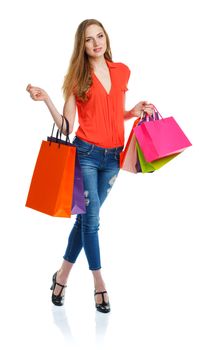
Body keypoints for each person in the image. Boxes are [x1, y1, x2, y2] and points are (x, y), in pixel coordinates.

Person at [26, 18, 154, 313]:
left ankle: (61, 277)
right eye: (89, 39)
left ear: (106, 38)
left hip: (113, 158)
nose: (96, 43)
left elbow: (110, 112)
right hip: (86, 155)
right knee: (92, 220)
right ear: (81, 46)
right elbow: (67, 126)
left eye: (100, 36)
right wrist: (46, 99)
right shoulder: (77, 77)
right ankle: (99, 284)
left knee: (84, 220)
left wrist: (131, 112)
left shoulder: (121, 71)